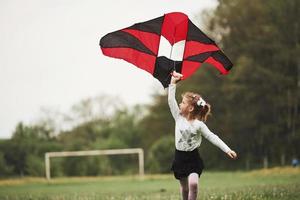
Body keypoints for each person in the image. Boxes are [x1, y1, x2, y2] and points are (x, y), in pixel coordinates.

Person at [168, 71, 237, 200]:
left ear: (190, 108)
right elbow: (170, 100)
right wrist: (173, 82)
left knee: (193, 184)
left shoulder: (198, 125)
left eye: (182, 102)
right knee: (184, 188)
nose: (179, 104)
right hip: (180, 157)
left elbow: (212, 136)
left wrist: (227, 149)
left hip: (193, 157)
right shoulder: (178, 117)